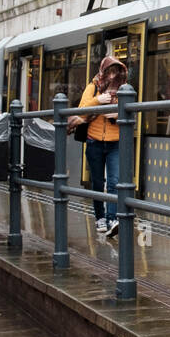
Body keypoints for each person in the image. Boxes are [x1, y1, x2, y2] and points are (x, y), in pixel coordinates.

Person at [67, 55, 127, 236]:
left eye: (115, 72)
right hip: (94, 142)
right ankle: (100, 217)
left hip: (115, 142)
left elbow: (132, 112)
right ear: (103, 71)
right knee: (97, 182)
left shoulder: (125, 89)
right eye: (109, 72)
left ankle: (111, 219)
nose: (111, 76)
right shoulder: (93, 87)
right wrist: (98, 101)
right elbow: (82, 108)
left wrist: (116, 115)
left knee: (115, 182)